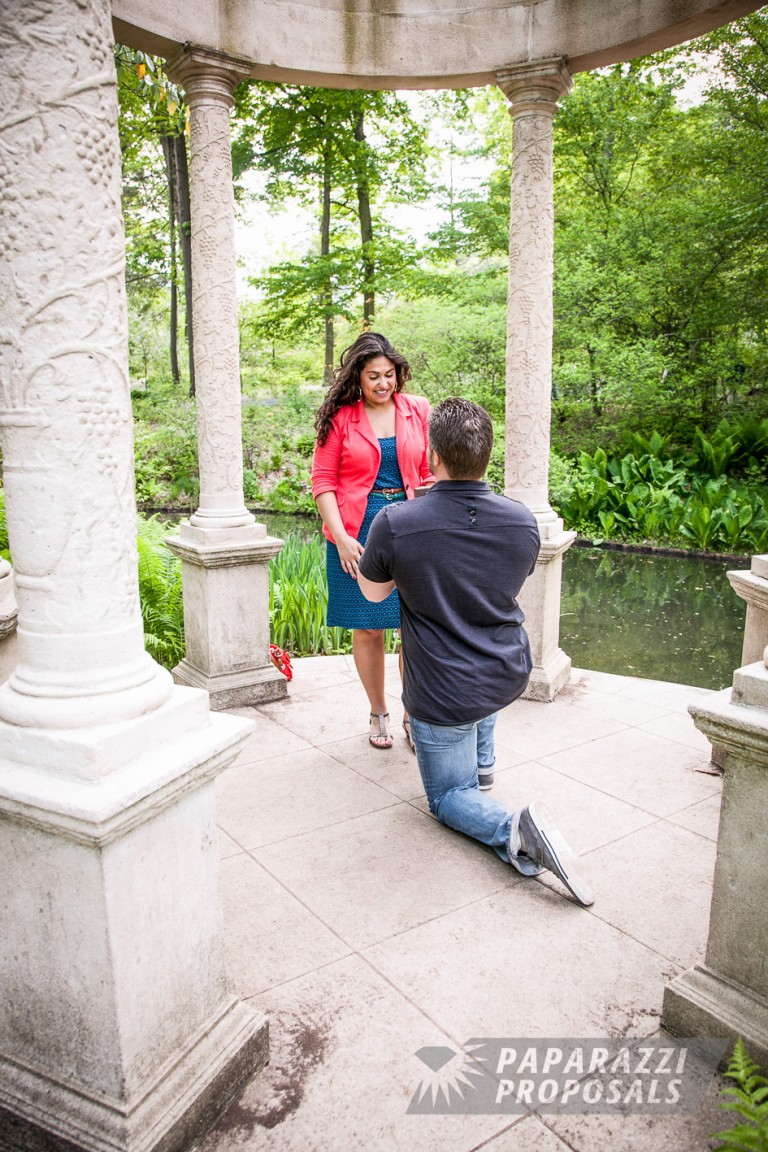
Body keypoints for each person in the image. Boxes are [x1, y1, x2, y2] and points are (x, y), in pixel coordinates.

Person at [357, 397, 594, 906]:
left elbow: (374, 594)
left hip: (443, 688)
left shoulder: (396, 523)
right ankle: (483, 767)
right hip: (506, 668)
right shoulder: (521, 522)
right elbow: (501, 581)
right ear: (487, 455)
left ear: (432, 457)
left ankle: (515, 830)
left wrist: (400, 560)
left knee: (447, 798)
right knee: (478, 689)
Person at [311, 332, 434, 750]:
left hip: (411, 525)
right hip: (357, 531)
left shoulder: (418, 410)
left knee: (413, 626)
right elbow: (323, 482)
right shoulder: (341, 417)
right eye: (373, 377)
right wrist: (342, 538)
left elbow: (432, 468)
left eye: (389, 375)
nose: (383, 383)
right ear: (357, 380)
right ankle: (378, 711)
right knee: (367, 629)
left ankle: (412, 714)